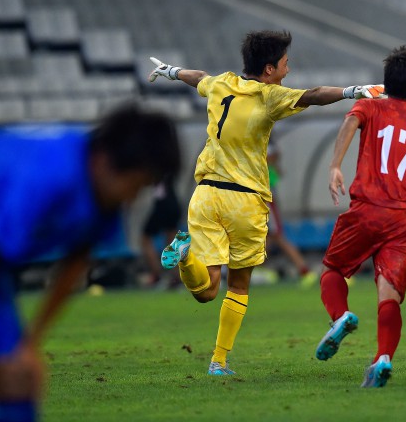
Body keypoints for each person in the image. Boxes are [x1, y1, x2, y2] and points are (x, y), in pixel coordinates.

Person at [148, 30, 384, 376]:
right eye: (286, 64)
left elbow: (196, 77)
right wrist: (354, 92)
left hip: (205, 196)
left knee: (206, 290)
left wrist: (169, 71)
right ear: (270, 69)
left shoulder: (221, 84)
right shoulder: (268, 95)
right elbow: (314, 95)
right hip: (244, 200)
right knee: (237, 286)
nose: (289, 70)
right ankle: (218, 361)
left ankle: (185, 257)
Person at [0, 106, 180, 422]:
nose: (133, 199)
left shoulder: (101, 197)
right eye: (136, 185)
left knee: (19, 383)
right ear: (107, 163)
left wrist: (29, 346)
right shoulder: (50, 176)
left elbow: (75, 264)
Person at [315, 46, 406, 388]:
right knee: (389, 296)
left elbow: (350, 120)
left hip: (368, 210)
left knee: (332, 270)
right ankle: (382, 358)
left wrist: (334, 166)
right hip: (405, 221)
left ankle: (340, 316)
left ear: (385, 83)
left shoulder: (370, 106)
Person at [265, 138, 317, 288]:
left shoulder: (262, 146)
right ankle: (303, 270)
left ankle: (304, 270)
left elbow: (276, 167)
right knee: (269, 237)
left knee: (276, 235)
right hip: (260, 198)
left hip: (265, 198)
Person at [139, 177, 182, 289]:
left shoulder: (158, 167)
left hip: (163, 204)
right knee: (171, 242)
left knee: (145, 239)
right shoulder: (169, 168)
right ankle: (177, 277)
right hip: (173, 203)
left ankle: (158, 275)